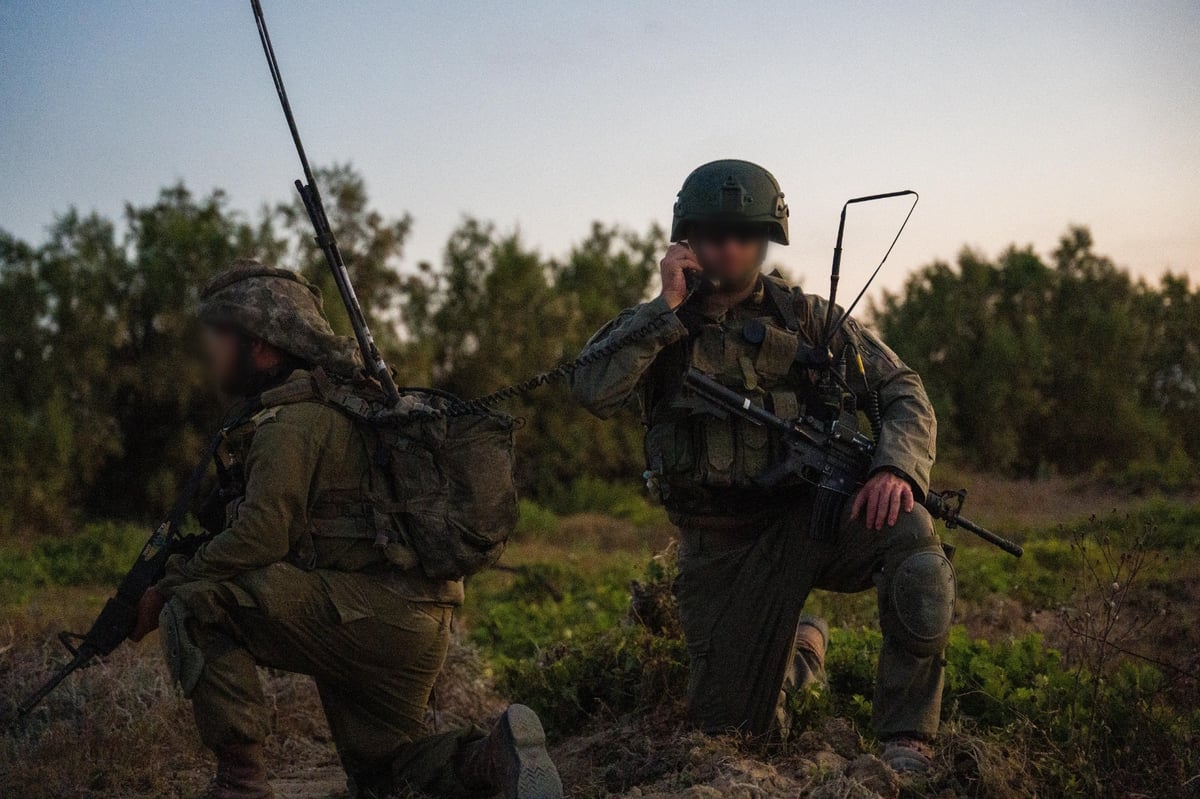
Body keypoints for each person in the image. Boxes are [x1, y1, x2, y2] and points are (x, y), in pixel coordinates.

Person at [570, 160, 952, 774]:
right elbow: (590, 389)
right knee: (737, 740)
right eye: (713, 235)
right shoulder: (659, 326)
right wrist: (663, 311)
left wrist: (896, 469)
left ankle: (908, 738)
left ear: (766, 238)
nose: (728, 249)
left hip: (812, 522)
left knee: (913, 541)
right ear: (686, 239)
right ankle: (803, 649)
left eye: (743, 234)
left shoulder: (809, 319)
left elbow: (903, 388)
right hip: (719, 553)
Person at [130, 260, 562, 799]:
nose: (211, 352)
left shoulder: (290, 422)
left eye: (220, 337)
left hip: (367, 614)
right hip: (417, 621)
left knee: (195, 602)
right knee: (384, 774)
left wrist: (168, 586)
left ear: (261, 345)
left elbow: (263, 535)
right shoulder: (351, 406)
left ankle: (239, 784)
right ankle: (491, 756)